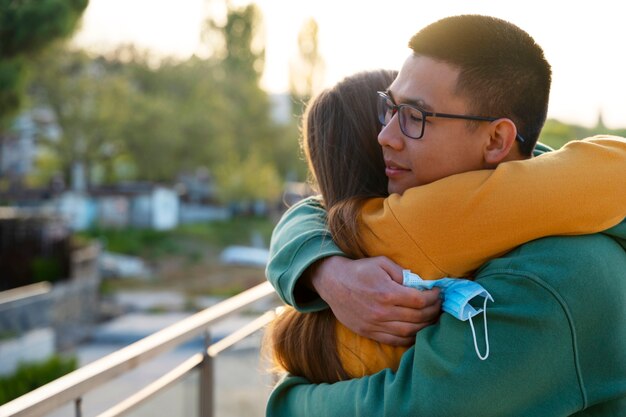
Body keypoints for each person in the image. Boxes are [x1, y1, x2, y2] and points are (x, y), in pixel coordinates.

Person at [266, 15, 626, 416]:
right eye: (390, 107)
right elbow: (319, 209)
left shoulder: (547, 278)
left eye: (416, 117)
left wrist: (289, 402)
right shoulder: (544, 197)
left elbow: (412, 409)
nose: (385, 134)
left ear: (496, 140)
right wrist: (326, 271)